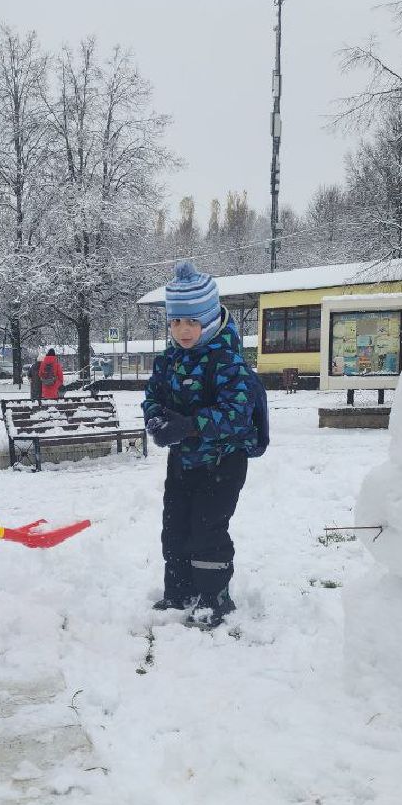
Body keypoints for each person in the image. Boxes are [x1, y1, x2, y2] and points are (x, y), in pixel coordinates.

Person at [142, 260, 264, 627]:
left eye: (192, 321)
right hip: (183, 462)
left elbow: (237, 413)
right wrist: (157, 420)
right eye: (177, 321)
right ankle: (178, 591)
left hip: (223, 461)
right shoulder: (168, 361)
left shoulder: (228, 361)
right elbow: (152, 396)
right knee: (175, 525)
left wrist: (191, 426)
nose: (183, 329)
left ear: (208, 319)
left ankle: (214, 597)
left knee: (207, 529)